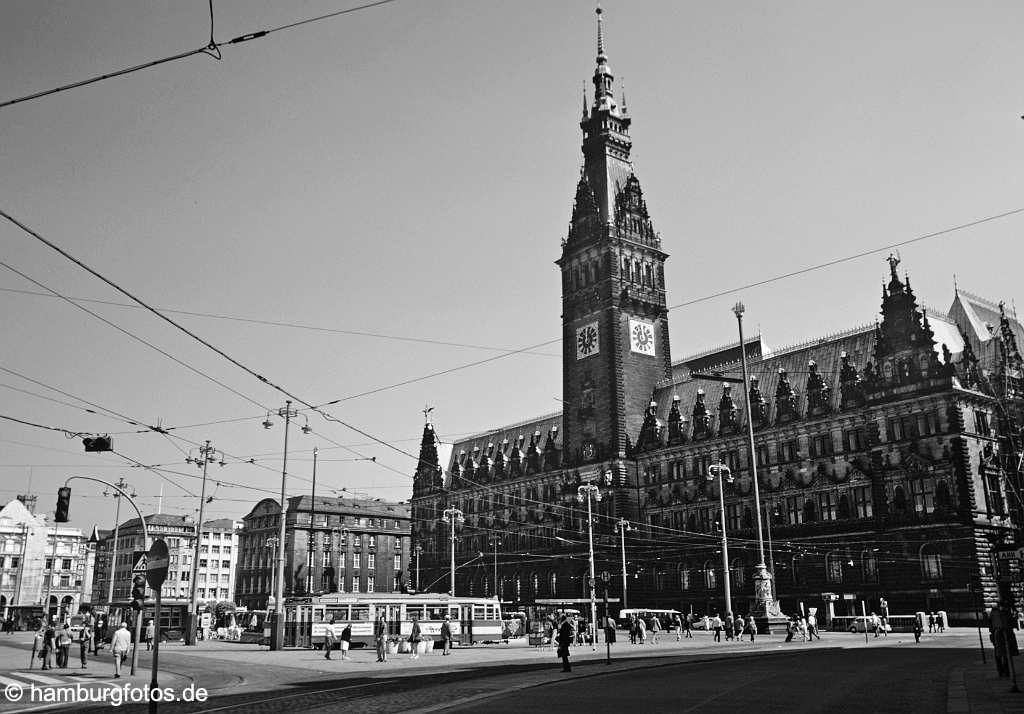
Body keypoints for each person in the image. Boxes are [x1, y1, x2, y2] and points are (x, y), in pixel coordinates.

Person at [990, 601, 1019, 678]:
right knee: (1002, 654)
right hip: (1000, 635)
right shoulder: (1003, 613)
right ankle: (1004, 671)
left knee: (1001, 654)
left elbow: (990, 624)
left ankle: (1003, 671)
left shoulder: (995, 612)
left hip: (999, 634)